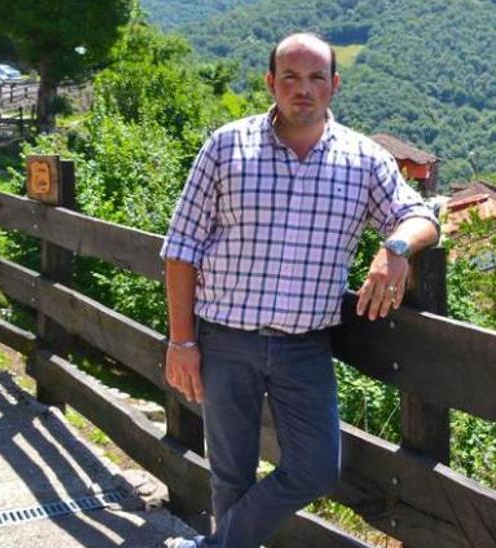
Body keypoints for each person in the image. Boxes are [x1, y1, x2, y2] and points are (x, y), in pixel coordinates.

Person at [159, 32, 439, 548]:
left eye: (315, 78)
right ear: (271, 83)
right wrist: (182, 341)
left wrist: (395, 249)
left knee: (315, 469)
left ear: (334, 86)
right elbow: (182, 248)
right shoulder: (225, 146)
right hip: (224, 339)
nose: (302, 89)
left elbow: (422, 216)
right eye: (290, 76)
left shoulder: (364, 159)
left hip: (305, 347)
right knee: (230, 477)